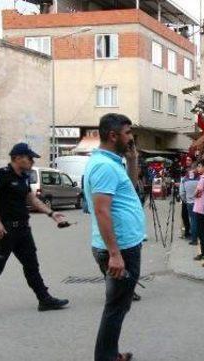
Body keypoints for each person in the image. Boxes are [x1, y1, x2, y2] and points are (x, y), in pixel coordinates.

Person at [0, 143, 69, 322]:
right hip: (5, 231)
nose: (32, 161)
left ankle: (44, 299)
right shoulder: (1, 175)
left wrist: (52, 213)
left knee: (32, 265)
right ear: (17, 158)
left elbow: (32, 199)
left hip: (23, 230)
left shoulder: (24, 177)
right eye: (29, 158)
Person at [84, 113, 146, 361]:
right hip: (120, 250)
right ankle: (106, 357)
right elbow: (101, 210)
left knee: (118, 304)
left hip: (124, 247)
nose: (131, 138)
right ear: (113, 135)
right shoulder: (103, 166)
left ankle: (109, 354)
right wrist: (115, 254)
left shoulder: (112, 162)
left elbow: (129, 188)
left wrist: (132, 161)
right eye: (128, 133)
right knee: (116, 307)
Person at [192, 159, 204, 261]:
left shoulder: (203, 178)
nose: (198, 168)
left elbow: (197, 192)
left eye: (199, 166)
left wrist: (194, 194)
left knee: (201, 231)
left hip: (200, 207)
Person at [179, 166, 199, 246]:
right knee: (199, 220)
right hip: (199, 202)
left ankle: (194, 239)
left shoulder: (184, 180)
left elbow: (182, 193)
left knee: (193, 220)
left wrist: (185, 200)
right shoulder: (200, 179)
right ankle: (200, 237)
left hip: (189, 203)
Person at [180, 155, 195, 239]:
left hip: (189, 196)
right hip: (184, 195)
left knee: (191, 216)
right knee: (184, 215)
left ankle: (191, 233)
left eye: (189, 160)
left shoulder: (193, 170)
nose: (187, 161)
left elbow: (190, 183)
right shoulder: (184, 170)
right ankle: (187, 231)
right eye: (186, 160)